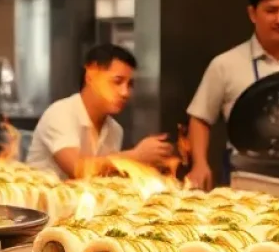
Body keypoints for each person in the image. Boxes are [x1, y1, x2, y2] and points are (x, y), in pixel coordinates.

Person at [186, 0, 279, 190]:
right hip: (245, 179)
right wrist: (200, 163)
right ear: (253, 13)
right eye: (271, 10)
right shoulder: (225, 64)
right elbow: (200, 118)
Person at [27, 44, 174, 179]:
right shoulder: (61, 113)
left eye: (130, 84)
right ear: (90, 76)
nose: (125, 92)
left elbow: (102, 179)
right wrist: (135, 156)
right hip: (40, 205)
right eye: (117, 81)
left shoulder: (115, 130)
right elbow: (78, 169)